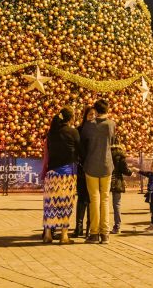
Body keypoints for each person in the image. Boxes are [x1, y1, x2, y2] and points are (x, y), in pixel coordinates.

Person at [42, 108, 81, 245]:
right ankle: (64, 235)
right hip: (67, 174)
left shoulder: (51, 134)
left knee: (50, 205)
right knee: (66, 204)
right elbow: (80, 149)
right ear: (70, 119)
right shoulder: (73, 132)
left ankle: (47, 234)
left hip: (51, 175)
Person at [81, 99, 115, 244]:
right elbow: (112, 141)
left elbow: (83, 142)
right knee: (105, 198)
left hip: (91, 165)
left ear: (96, 109)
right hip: (106, 164)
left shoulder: (89, 125)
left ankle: (94, 233)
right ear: (107, 109)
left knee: (94, 199)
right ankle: (105, 233)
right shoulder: (111, 124)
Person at [73, 106, 96, 238]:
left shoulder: (98, 130)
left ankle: (89, 227)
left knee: (92, 198)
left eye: (94, 114)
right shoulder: (79, 130)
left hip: (93, 168)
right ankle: (79, 227)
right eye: (90, 114)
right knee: (82, 197)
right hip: (82, 168)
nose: (92, 116)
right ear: (85, 116)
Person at [110, 140, 133, 234]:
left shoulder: (106, 152)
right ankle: (117, 226)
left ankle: (101, 224)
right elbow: (125, 170)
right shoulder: (120, 155)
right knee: (117, 204)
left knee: (103, 203)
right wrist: (130, 172)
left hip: (106, 179)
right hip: (117, 181)